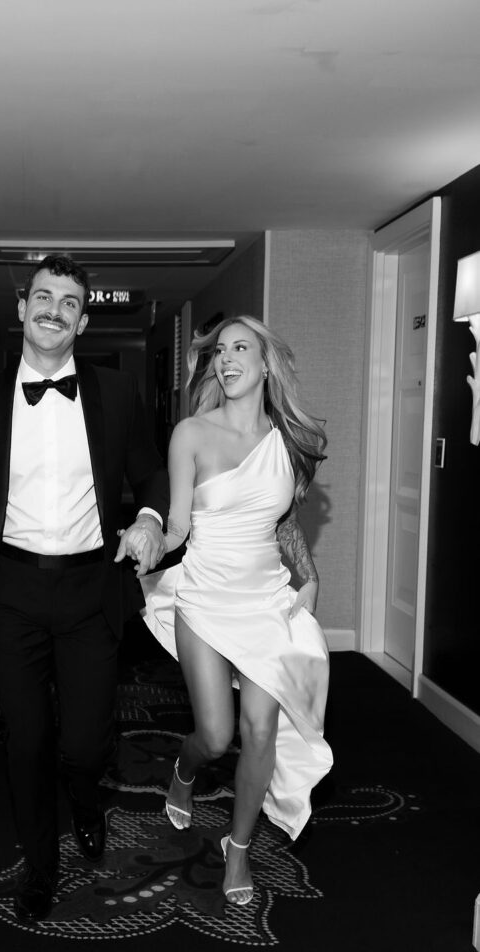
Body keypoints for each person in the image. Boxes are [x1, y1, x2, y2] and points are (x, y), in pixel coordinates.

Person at [0, 254, 168, 921]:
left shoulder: (117, 393)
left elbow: (150, 474)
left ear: (83, 319)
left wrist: (149, 519)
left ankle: (85, 796)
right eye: (43, 296)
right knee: (25, 739)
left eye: (68, 302)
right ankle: (39, 864)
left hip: (93, 590)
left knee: (86, 742)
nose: (53, 310)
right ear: (21, 309)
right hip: (11, 593)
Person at [139, 314, 333, 907]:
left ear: (265, 361)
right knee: (218, 736)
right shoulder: (192, 434)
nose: (226, 358)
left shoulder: (291, 441)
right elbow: (177, 527)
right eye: (219, 350)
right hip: (204, 596)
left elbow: (285, 523)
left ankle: (239, 847)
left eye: (240, 347)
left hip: (266, 600)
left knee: (261, 728)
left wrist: (312, 578)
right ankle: (185, 768)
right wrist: (147, 533)